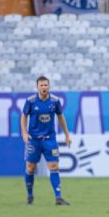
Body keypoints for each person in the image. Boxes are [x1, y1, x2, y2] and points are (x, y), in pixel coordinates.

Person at [20, 76, 72, 206]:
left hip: (49, 139)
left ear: (49, 86)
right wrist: (24, 133)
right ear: (37, 87)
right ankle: (30, 195)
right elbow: (24, 116)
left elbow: (61, 117)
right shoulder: (31, 101)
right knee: (31, 168)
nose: (44, 87)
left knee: (54, 166)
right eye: (41, 85)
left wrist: (67, 134)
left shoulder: (54, 101)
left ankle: (58, 197)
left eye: (46, 85)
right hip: (34, 140)